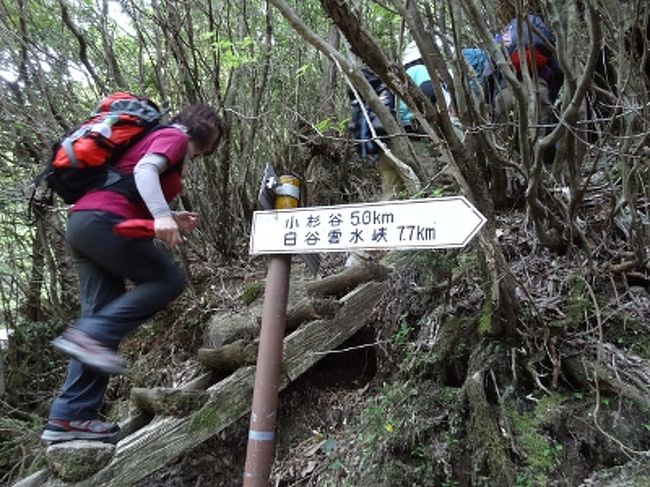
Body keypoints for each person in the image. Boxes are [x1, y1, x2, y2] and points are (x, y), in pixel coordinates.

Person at [40, 103, 225, 443]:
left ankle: (70, 417)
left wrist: (169, 214)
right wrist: (162, 215)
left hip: (84, 223)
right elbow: (143, 172)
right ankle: (89, 335)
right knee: (167, 280)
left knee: (99, 316)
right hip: (104, 222)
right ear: (211, 138)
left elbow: (125, 184)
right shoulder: (173, 138)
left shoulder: (155, 137)